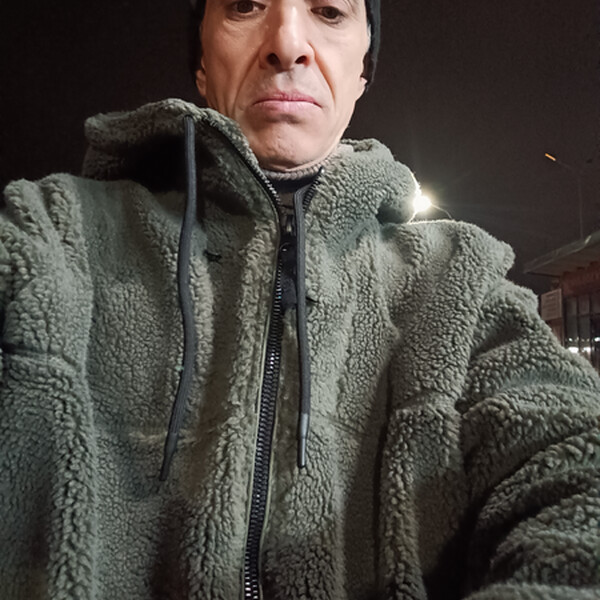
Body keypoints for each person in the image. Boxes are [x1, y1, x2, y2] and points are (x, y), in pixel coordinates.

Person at [1, 0, 598, 598]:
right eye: (244, 5)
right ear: (202, 61)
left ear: (363, 68)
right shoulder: (52, 234)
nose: (287, 44)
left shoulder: (457, 279)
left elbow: (576, 465)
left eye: (329, 11)